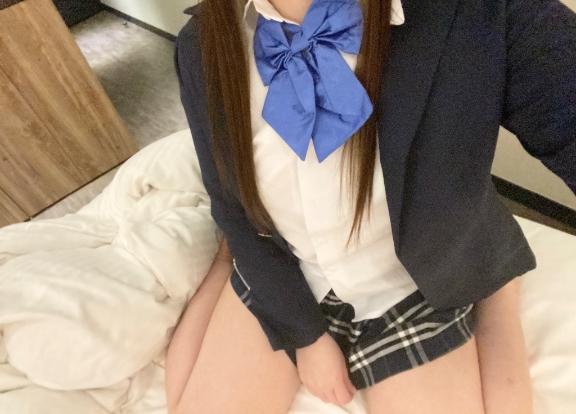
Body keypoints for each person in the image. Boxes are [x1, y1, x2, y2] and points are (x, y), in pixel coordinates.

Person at [165, 0, 576, 413]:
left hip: (410, 285)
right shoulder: (202, 45)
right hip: (286, 269)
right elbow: (231, 205)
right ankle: (224, 261)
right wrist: (307, 338)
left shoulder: (478, 13)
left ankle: (497, 281)